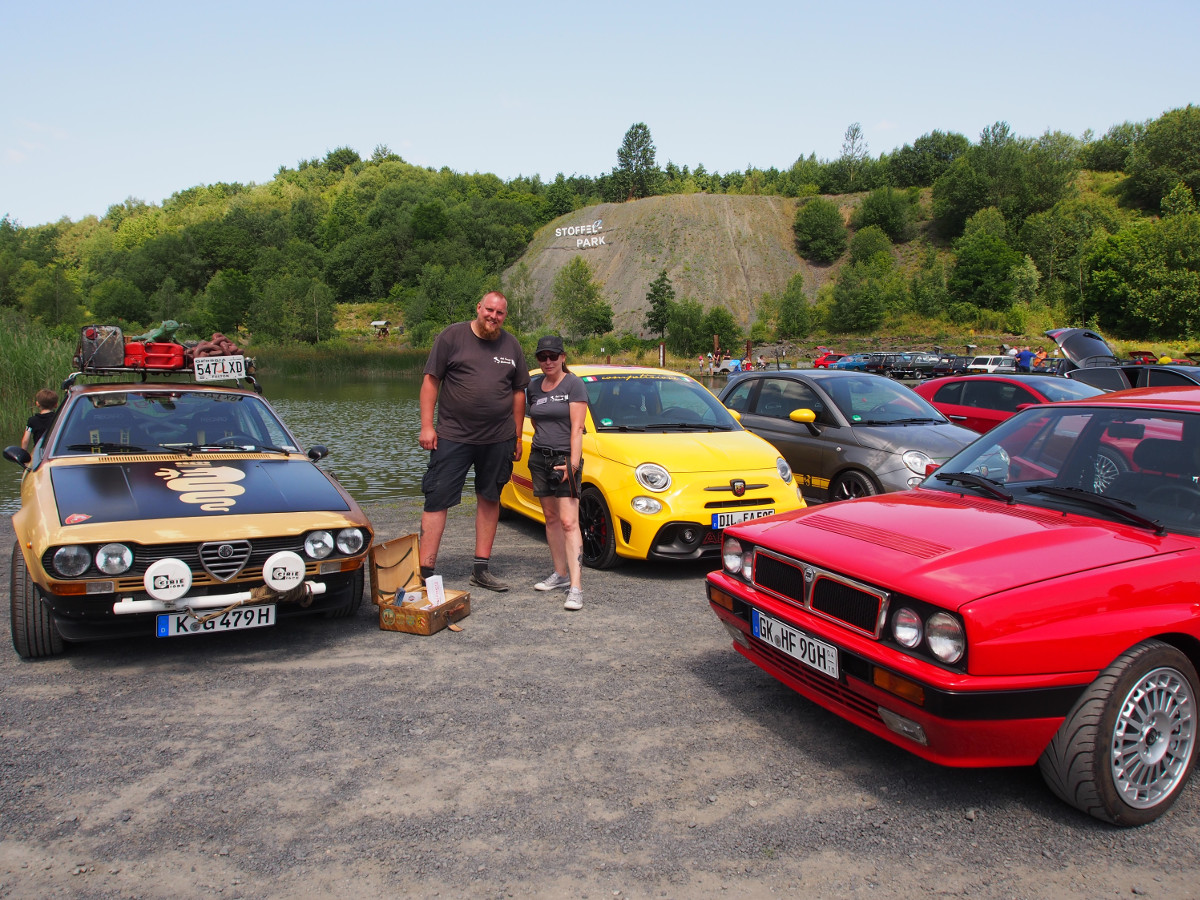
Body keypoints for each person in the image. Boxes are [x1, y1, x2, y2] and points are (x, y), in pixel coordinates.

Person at [418, 291, 529, 592]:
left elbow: (519, 392)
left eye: (500, 313)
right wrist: (427, 426)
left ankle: (481, 569)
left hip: (498, 438)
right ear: (479, 308)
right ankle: (425, 571)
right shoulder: (452, 336)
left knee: (490, 497)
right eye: (489, 310)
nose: (494, 316)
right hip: (453, 436)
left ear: (505, 316)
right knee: (437, 497)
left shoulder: (512, 345)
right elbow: (431, 381)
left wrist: (517, 436)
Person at [526, 335, 589, 611]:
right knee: (550, 519)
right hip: (540, 458)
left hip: (565, 460)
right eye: (543, 357)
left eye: (553, 356)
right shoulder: (533, 386)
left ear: (563, 357)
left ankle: (576, 587)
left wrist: (573, 465)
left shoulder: (574, 384)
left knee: (568, 521)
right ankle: (560, 575)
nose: (548, 361)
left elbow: (578, 429)